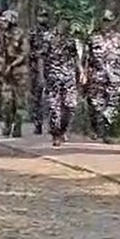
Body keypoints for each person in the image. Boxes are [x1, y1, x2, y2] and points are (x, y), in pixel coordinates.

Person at [83, 8, 120, 143]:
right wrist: (84, 75)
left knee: (112, 105)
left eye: (109, 21)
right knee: (95, 105)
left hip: (115, 76)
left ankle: (105, 131)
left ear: (114, 22)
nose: (106, 24)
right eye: (104, 21)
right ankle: (98, 131)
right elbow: (86, 58)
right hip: (97, 76)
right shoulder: (93, 37)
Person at [45, 15, 82, 146]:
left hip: (68, 76)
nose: (64, 24)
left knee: (70, 106)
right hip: (52, 76)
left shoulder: (70, 40)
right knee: (54, 107)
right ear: (58, 22)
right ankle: (55, 134)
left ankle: (63, 130)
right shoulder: (48, 37)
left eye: (67, 22)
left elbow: (75, 57)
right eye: (63, 21)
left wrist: (81, 72)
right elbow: (40, 57)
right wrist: (40, 75)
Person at [0, 9, 30, 137]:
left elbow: (24, 53)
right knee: (7, 101)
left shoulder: (20, 34)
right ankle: (7, 124)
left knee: (20, 101)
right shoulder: (1, 35)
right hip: (6, 72)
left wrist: (12, 65)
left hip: (19, 72)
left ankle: (18, 127)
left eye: (5, 20)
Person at [28, 10, 52, 135]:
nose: (43, 18)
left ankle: (51, 124)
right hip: (35, 69)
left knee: (51, 97)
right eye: (41, 16)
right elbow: (27, 50)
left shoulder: (52, 33)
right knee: (36, 97)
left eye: (45, 16)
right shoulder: (32, 32)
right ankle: (37, 124)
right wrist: (37, 55)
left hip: (51, 68)